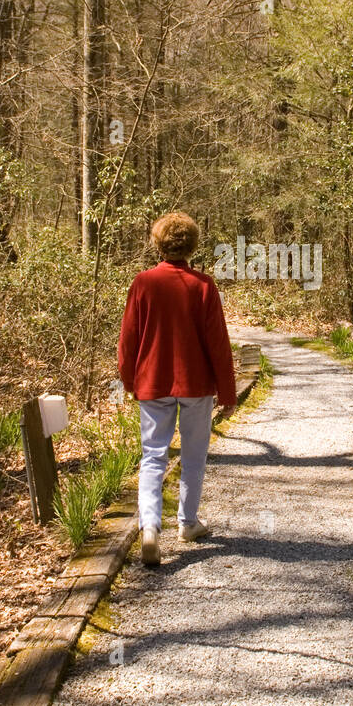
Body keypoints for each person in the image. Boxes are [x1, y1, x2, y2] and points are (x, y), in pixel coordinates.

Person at [118, 211, 237, 565]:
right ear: (192, 244)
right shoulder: (203, 285)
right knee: (194, 455)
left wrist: (128, 380)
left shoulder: (143, 283)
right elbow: (218, 343)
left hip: (153, 383)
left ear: (158, 243)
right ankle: (187, 523)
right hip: (196, 384)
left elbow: (128, 340)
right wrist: (227, 392)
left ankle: (151, 527)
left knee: (153, 455)